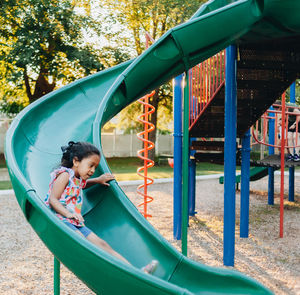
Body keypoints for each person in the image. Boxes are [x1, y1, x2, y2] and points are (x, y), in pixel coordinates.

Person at [44, 141, 158, 274]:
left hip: (73, 221)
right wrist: (69, 214)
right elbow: (53, 199)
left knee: (103, 245)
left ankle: (137, 272)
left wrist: (97, 180)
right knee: (81, 240)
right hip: (61, 220)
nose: (92, 170)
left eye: (95, 167)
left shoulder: (78, 178)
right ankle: (107, 271)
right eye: (90, 165)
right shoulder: (64, 175)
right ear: (76, 161)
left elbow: (80, 185)